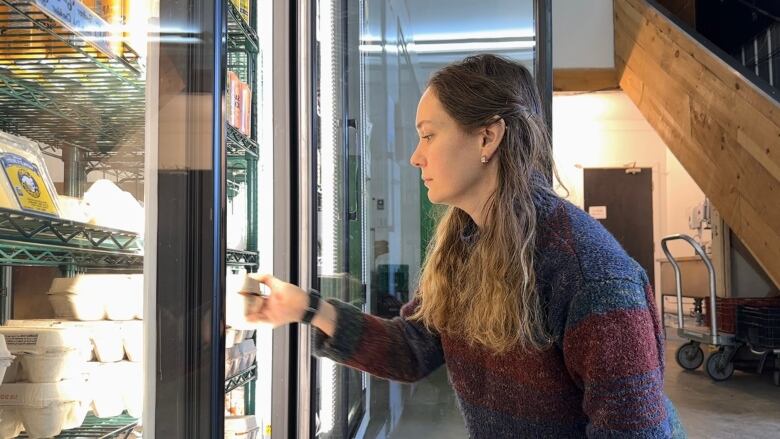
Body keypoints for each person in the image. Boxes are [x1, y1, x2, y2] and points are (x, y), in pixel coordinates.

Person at [246, 54, 686, 438]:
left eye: (429, 134)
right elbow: (414, 347)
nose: (415, 156)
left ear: (487, 138)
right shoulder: (465, 244)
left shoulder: (593, 275)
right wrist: (305, 308)